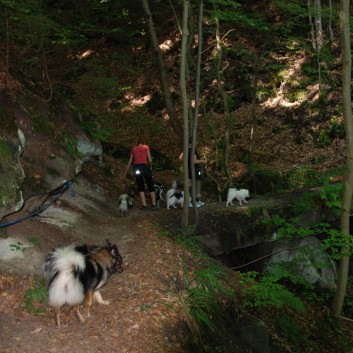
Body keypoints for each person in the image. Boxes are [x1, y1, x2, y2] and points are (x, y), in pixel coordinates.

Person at [123, 139, 158, 210]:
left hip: (137, 168)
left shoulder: (133, 149)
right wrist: (150, 167)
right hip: (145, 167)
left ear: (137, 143)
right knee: (150, 184)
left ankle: (144, 205)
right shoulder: (146, 147)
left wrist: (125, 173)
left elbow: (130, 162)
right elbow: (150, 160)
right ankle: (154, 204)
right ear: (143, 143)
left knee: (140, 185)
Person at [179, 142, 206, 208]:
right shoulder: (193, 150)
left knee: (194, 184)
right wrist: (203, 161)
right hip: (195, 170)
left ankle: (196, 200)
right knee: (196, 184)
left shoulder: (186, 150)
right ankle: (193, 201)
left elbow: (180, 158)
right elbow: (194, 161)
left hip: (190, 170)